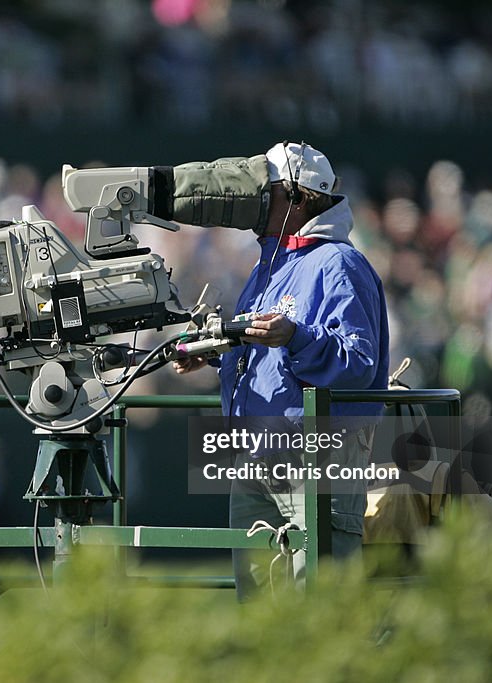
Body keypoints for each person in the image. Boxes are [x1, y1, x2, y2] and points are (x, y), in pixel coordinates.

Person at [174, 141, 389, 599]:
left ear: (298, 197)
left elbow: (359, 364)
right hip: (255, 453)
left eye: (266, 191)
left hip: (316, 458)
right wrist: (214, 352)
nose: (254, 201)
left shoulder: (339, 263)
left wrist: (296, 336)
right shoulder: (269, 265)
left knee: (319, 608)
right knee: (257, 607)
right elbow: (264, 351)